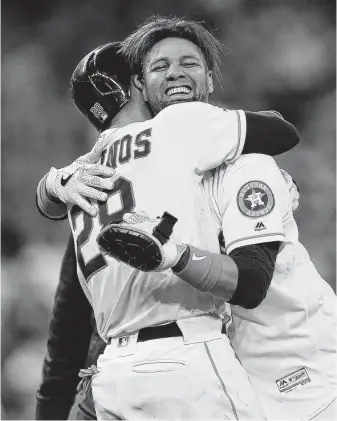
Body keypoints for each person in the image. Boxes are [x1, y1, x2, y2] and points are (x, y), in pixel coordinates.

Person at [36, 22, 301, 421]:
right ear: (137, 85)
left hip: (114, 374)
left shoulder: (80, 178)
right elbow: (281, 130)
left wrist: (51, 185)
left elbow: (66, 331)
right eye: (154, 69)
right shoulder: (179, 126)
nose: (171, 75)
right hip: (188, 357)